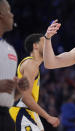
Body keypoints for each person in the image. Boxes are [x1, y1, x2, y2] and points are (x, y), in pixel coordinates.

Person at [9, 34, 60, 131]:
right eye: (44, 42)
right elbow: (26, 98)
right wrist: (48, 117)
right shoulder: (31, 64)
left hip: (25, 112)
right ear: (35, 46)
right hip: (21, 112)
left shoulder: (32, 65)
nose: (48, 45)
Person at [0, 0, 29, 130]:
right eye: (9, 10)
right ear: (1, 14)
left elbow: (10, 96)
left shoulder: (10, 50)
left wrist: (19, 90)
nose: (12, 15)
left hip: (5, 116)